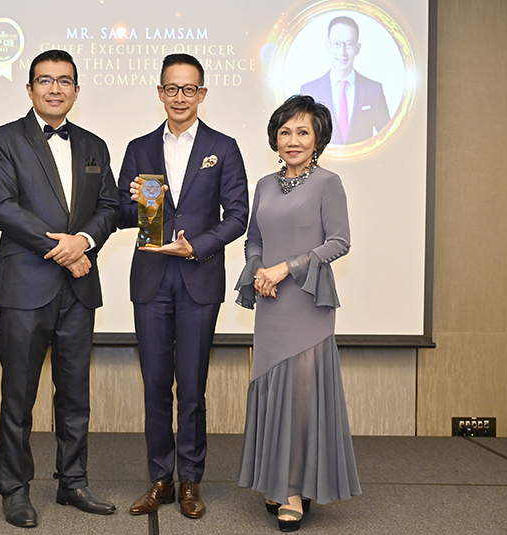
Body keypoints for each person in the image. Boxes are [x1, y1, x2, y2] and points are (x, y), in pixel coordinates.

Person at [0, 49, 119, 528]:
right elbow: (2, 206)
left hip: (78, 289)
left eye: (64, 81)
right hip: (25, 286)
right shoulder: (4, 139)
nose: (55, 88)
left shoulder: (94, 145)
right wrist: (64, 248)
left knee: (75, 393)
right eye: (45, 80)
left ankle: (73, 482)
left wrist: (84, 241)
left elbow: (110, 206)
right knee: (18, 395)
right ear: (29, 88)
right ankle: (15, 489)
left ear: (77, 91)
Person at [118, 54, 249, 519]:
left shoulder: (223, 147)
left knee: (192, 387)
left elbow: (238, 215)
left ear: (202, 93)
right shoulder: (139, 147)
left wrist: (197, 246)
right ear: (160, 92)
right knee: (155, 384)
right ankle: (160, 480)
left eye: (188, 89)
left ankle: (191, 481)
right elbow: (120, 212)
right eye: (171, 88)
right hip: (152, 278)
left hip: (198, 277)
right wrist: (135, 202)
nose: (179, 97)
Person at [236, 94, 361, 532]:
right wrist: (258, 270)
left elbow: (339, 242)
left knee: (301, 398)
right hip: (271, 302)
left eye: (302, 132)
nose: (293, 140)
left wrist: (286, 268)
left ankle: (294, 489)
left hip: (307, 303)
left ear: (317, 139)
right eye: (285, 131)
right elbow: (253, 239)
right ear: (275, 138)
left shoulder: (328, 183)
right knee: (272, 393)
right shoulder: (264, 185)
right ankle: (276, 480)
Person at [300, 16, 390, 145]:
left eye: (348, 44)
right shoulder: (309, 91)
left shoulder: (374, 90)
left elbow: (388, 138)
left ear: (357, 48)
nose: (342, 52)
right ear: (328, 47)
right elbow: (302, 137)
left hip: (364, 158)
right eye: (336, 44)